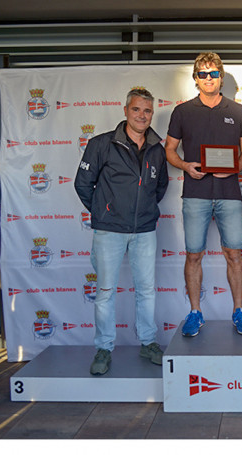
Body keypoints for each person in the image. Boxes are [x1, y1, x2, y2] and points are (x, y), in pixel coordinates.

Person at [74, 88, 169, 375]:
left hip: (144, 231)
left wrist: (143, 212)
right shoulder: (101, 144)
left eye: (147, 111)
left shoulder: (157, 149)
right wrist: (105, 212)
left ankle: (148, 342)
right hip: (109, 231)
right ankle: (104, 348)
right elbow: (82, 183)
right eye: (136, 109)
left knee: (146, 290)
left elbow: (160, 187)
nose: (142, 115)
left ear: (152, 114)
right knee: (105, 292)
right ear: (126, 110)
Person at [164, 52, 242, 337]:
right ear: (196, 78)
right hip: (196, 192)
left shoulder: (237, 111)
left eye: (213, 73)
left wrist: (235, 168)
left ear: (221, 77)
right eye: (202, 74)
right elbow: (169, 150)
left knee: (235, 254)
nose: (208, 78)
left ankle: (239, 311)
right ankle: (195, 312)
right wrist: (185, 166)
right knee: (193, 255)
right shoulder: (182, 112)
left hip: (229, 192)